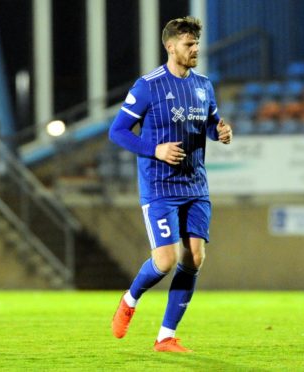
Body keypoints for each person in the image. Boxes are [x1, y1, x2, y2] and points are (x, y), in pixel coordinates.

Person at [108, 16, 233, 352]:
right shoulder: (148, 86)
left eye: (196, 44)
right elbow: (117, 131)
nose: (195, 50)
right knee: (165, 260)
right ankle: (130, 299)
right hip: (160, 186)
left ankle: (165, 336)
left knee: (194, 258)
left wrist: (219, 131)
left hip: (195, 185)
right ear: (170, 46)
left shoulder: (203, 85)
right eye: (189, 44)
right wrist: (155, 149)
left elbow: (207, 123)